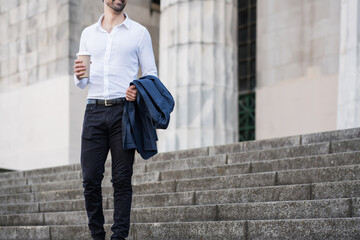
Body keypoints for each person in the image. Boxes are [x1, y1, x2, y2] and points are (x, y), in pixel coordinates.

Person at [73, 0, 158, 239]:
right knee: (90, 178)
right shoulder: (88, 34)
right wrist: (78, 75)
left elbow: (151, 74)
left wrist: (138, 89)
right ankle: (97, 235)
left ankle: (119, 236)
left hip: (124, 112)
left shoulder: (139, 33)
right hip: (94, 110)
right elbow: (82, 82)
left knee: (121, 179)